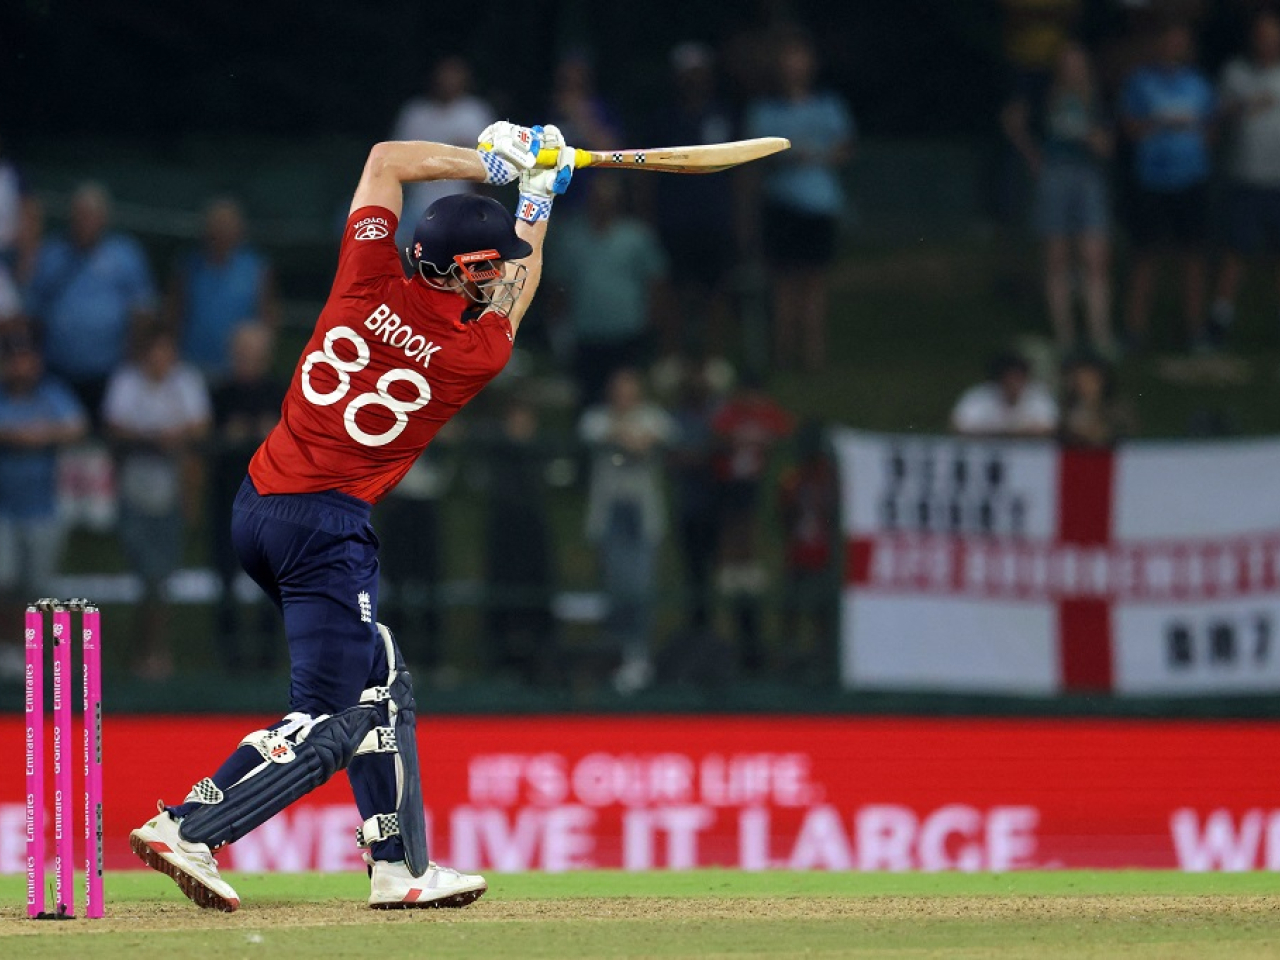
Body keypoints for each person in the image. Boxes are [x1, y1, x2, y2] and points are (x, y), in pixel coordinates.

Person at [127, 123, 576, 911]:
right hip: (325, 530)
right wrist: (537, 200)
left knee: (381, 677)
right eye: (492, 259)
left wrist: (497, 168)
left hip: (258, 506)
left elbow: (386, 162)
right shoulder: (473, 356)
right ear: (467, 270)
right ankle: (189, 826)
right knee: (331, 712)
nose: (503, 265)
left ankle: (397, 864)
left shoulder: (362, 276)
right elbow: (516, 290)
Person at [103, 324, 212, 680]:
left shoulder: (186, 381)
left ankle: (157, 652)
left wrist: (174, 437)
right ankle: (137, 651)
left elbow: (201, 426)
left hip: (174, 491)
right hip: (133, 489)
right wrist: (154, 439)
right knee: (142, 575)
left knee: (161, 577)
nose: (160, 358)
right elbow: (114, 425)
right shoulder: (126, 381)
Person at [744, 33, 855, 372]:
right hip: (783, 205)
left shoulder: (829, 105)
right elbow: (759, 152)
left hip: (820, 206)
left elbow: (844, 148)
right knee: (783, 284)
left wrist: (816, 154)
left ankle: (813, 359)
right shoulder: (765, 110)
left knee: (815, 283)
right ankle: (782, 356)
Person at [1003, 40, 1116, 354]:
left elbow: (1108, 146)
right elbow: (1012, 121)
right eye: (1067, 64)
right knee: (1057, 257)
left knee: (1094, 256)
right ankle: (1065, 338)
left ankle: (1099, 336)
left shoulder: (1097, 100)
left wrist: (1094, 139)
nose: (1073, 71)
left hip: (1088, 175)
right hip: (1054, 174)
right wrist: (1033, 155)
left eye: (1078, 64)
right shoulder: (1044, 96)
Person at [1119, 20, 1216, 352]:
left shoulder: (1199, 84)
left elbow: (1211, 129)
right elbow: (1129, 129)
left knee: (1192, 257)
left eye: (1180, 43)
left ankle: (1195, 331)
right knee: (1145, 255)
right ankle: (1134, 331)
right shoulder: (1140, 82)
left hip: (1191, 179)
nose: (1174, 49)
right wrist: (1161, 122)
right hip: (1151, 180)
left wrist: (1196, 135)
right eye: (1168, 42)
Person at [579, 368, 675, 695]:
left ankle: (638, 655)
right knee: (614, 585)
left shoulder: (652, 416)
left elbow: (662, 435)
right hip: (611, 514)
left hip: (641, 515)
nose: (624, 399)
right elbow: (595, 433)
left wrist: (632, 438)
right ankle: (615, 655)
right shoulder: (596, 417)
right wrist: (627, 437)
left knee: (641, 586)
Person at [23, 182, 157, 415]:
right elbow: (33, 312)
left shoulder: (125, 254)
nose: (85, 222)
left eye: (91, 216)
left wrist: (133, 364)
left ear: (104, 218)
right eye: (80, 216)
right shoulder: (51, 254)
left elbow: (143, 313)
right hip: (56, 371)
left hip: (110, 371)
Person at [547, 176, 668, 408]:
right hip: (586, 335)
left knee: (629, 399)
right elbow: (558, 287)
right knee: (588, 401)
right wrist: (557, 332)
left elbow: (656, 285)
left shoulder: (636, 236)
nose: (603, 203)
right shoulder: (571, 237)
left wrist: (658, 333)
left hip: (628, 334)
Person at [207, 322, 285, 675]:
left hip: (274, 508)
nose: (246, 360)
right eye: (241, 354)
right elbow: (204, 440)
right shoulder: (219, 395)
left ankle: (268, 659)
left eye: (252, 354)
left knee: (273, 581)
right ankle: (231, 660)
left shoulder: (282, 392)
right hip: (228, 502)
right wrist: (229, 437)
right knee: (226, 579)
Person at [0, 335, 87, 647]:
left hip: (44, 507)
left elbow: (77, 425)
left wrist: (43, 435)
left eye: (28, 359)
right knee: (4, 580)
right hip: (4, 508)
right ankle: (7, 649)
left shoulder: (52, 392)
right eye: (15, 360)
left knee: (37, 586)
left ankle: (40, 655)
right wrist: (13, 436)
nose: (22, 367)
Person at [709, 373, 794, 675]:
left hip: (759, 490)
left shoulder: (768, 413)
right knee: (734, 523)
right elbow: (717, 434)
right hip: (730, 489)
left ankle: (749, 568)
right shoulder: (730, 414)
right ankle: (734, 569)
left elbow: (787, 434)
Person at [1211, 9, 1280, 344]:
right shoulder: (1236, 73)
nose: (1267, 42)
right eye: (1261, 35)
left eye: (1272, 34)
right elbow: (1217, 116)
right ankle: (1220, 322)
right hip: (1245, 178)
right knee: (1236, 252)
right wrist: (1244, 106)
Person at [169, 198, 280, 380]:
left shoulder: (256, 268)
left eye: (227, 226)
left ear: (239, 230)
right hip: (192, 363)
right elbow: (174, 312)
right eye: (216, 226)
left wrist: (261, 357)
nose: (221, 232)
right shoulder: (189, 266)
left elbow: (268, 315)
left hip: (240, 369)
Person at [390, 57, 496, 246]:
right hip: (415, 208)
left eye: (454, 74)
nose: (448, 80)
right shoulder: (415, 113)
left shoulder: (475, 113)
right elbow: (395, 166)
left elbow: (490, 170)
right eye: (443, 74)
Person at [951, 350, 1058, 438]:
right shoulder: (980, 396)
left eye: (1018, 377)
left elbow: (1050, 426)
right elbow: (958, 425)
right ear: (999, 379)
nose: (1013, 383)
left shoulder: (1038, 395)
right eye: (1009, 377)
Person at [1058, 351, 1136, 446]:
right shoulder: (1064, 408)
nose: (1085, 385)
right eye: (1080, 380)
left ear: (1102, 381)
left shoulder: (1117, 409)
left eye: (1090, 380)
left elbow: (1126, 435)